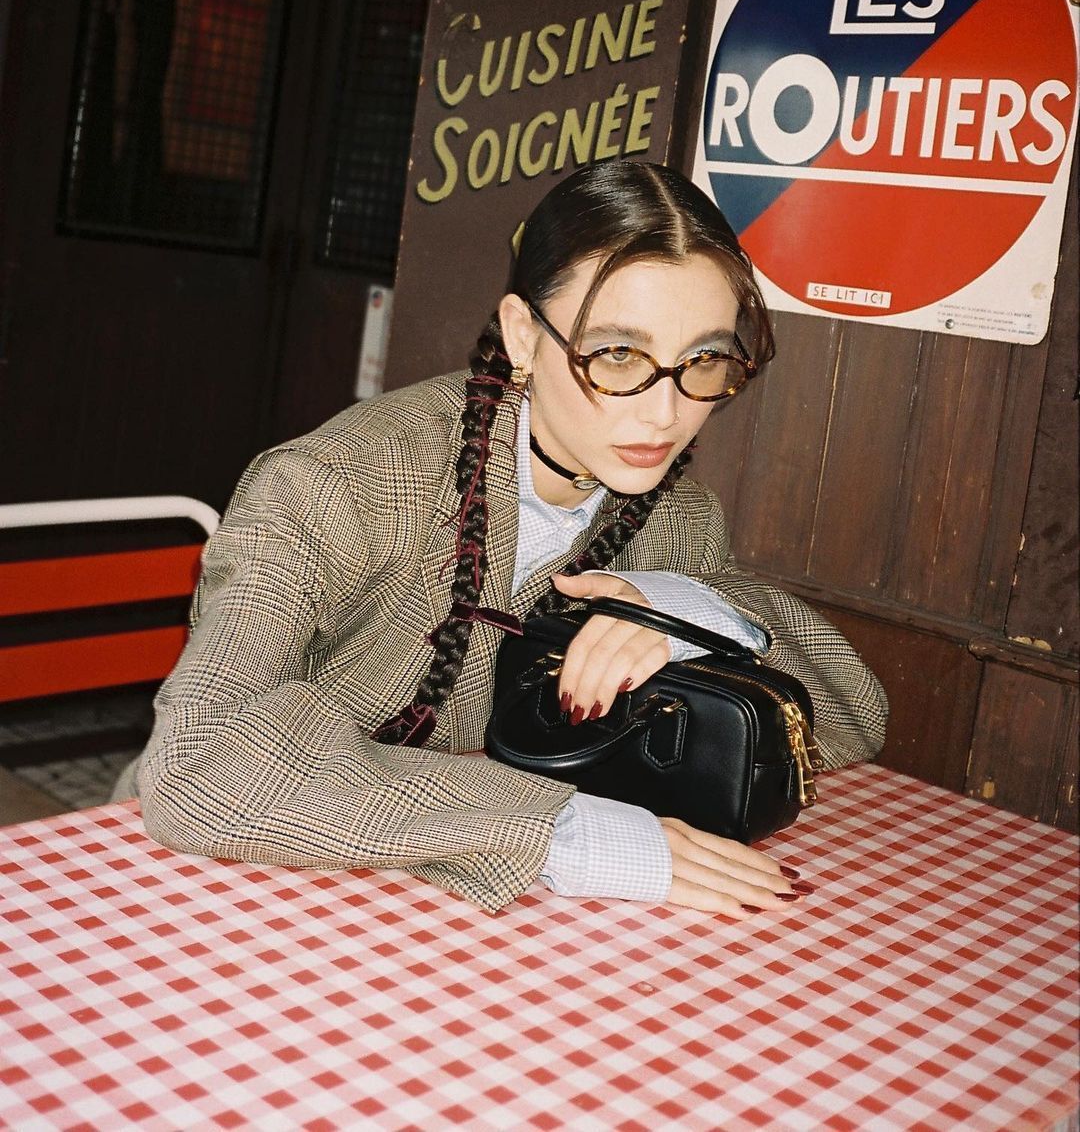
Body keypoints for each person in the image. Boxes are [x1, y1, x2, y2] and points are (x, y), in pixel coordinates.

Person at [119, 161, 887, 917]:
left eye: (704, 360)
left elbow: (852, 721)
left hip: (458, 914)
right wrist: (571, 834)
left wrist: (681, 611)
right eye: (618, 354)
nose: (665, 413)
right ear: (523, 334)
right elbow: (198, 765)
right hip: (229, 874)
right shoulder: (337, 484)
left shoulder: (678, 521)